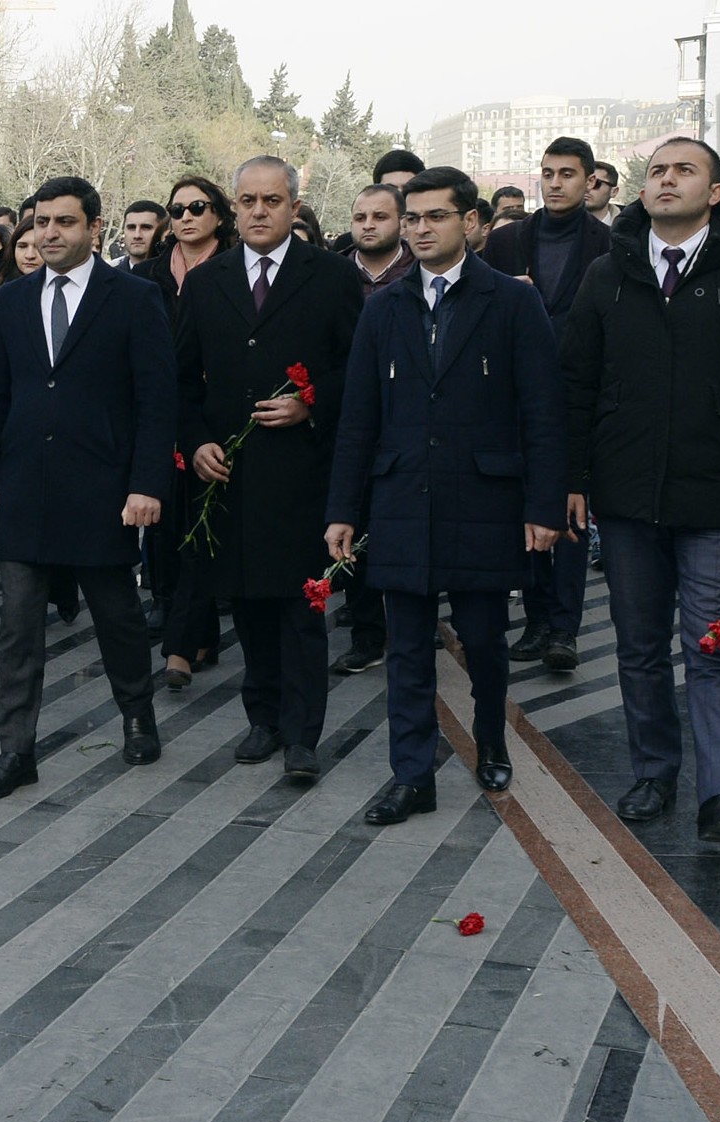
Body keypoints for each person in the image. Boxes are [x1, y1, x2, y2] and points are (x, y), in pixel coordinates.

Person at [563, 137, 720, 839]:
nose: (667, 181)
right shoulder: (608, 274)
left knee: (712, 644)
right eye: (656, 172)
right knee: (638, 645)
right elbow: (575, 385)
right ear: (642, 192)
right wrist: (575, 479)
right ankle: (654, 771)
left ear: (716, 192)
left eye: (684, 170)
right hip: (628, 496)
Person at [327, 167, 567, 824]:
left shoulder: (513, 303)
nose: (421, 228)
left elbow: (544, 412)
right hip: (401, 496)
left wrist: (543, 507)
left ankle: (491, 739)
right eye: (413, 218)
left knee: (484, 639)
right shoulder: (384, 306)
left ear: (472, 223)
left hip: (484, 498)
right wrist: (343, 509)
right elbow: (359, 417)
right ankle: (411, 772)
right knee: (405, 646)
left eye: (436, 216)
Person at [0, 176, 173, 799]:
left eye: (64, 222)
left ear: (94, 228)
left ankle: (137, 716)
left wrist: (146, 484)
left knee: (117, 617)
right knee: (18, 627)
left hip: (104, 490)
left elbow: (156, 400)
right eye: (41, 223)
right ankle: (15, 751)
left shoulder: (133, 298)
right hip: (26, 487)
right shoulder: (9, 300)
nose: (48, 234)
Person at [173, 155, 363, 784]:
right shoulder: (207, 281)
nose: (259, 211)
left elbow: (357, 373)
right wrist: (196, 441)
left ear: (293, 205)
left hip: (302, 473)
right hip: (229, 475)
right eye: (248, 201)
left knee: (298, 610)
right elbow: (180, 381)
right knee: (249, 606)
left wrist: (311, 403)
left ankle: (304, 734)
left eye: (272, 201)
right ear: (235, 208)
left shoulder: (332, 277)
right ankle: (264, 718)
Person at [484, 136, 610, 675]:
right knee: (526, 508)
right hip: (517, 395)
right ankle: (536, 620)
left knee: (573, 512)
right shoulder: (507, 241)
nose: (555, 183)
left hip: (583, 396)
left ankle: (565, 628)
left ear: (589, 182)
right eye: (548, 173)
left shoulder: (611, 243)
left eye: (567, 174)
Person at [147, 175, 238, 689]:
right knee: (169, 527)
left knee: (202, 529)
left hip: (218, 419)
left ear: (219, 216)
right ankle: (202, 633)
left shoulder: (234, 272)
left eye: (197, 207)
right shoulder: (150, 275)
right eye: (176, 208)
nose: (185, 216)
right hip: (164, 411)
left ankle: (179, 646)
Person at [325, 182, 416, 678]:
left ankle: (412, 628)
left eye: (379, 216)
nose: (368, 225)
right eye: (360, 217)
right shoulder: (335, 275)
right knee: (352, 527)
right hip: (349, 420)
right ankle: (366, 634)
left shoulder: (418, 274)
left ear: (401, 222)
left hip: (409, 422)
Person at [115, 200, 166, 274]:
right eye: (131, 227)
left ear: (162, 231)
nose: (137, 235)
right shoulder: (106, 279)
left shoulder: (176, 276)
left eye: (146, 227)